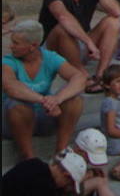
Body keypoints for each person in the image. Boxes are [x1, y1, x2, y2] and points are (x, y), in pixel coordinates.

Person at [2, 20, 86, 160]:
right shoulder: (8, 61)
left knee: (75, 101)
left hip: (43, 116)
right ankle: (28, 158)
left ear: (32, 46)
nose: (11, 46)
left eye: (16, 43)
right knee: (17, 105)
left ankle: (60, 153)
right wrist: (44, 100)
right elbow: (11, 86)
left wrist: (58, 98)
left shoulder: (50, 57)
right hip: (13, 121)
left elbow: (79, 78)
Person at [39, 0, 120, 93]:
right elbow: (63, 17)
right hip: (54, 49)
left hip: (79, 45)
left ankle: (101, 75)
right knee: (62, 27)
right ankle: (81, 74)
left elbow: (116, 11)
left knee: (113, 22)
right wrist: (89, 42)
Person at [1, 149, 87, 195]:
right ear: (66, 175)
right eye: (69, 183)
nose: (65, 187)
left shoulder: (34, 163)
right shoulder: (46, 186)